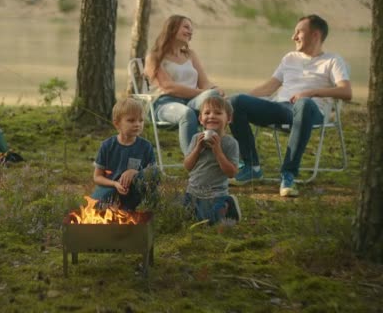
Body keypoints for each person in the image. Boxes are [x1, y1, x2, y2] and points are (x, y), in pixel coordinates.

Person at [228, 14, 352, 197]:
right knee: (234, 102)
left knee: (303, 104)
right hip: (281, 108)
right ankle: (251, 166)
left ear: (315, 35)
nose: (293, 37)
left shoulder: (333, 60)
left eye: (299, 32)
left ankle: (288, 174)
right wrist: (240, 99)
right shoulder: (290, 58)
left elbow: (346, 92)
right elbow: (270, 87)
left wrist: (311, 93)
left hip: (312, 111)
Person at [144, 14, 224, 156]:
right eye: (186, 27)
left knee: (215, 97)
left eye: (191, 29)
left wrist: (214, 89)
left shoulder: (190, 55)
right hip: (164, 104)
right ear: (172, 28)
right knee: (187, 113)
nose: (190, 32)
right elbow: (168, 87)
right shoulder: (154, 56)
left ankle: (221, 153)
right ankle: (193, 160)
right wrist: (201, 93)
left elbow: (205, 83)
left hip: (192, 103)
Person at [91, 98, 159, 211]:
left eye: (141, 120)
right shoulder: (107, 145)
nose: (137, 124)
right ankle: (116, 208)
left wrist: (134, 173)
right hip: (111, 188)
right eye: (131, 120)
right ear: (117, 123)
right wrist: (115, 184)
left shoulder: (146, 146)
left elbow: (153, 174)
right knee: (94, 207)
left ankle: (131, 209)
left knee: (154, 172)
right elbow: (97, 177)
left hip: (135, 191)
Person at [183, 96, 241, 224]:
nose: (212, 116)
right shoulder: (196, 138)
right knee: (186, 219)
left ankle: (228, 204)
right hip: (193, 192)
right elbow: (187, 166)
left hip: (216, 194)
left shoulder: (230, 143)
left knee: (212, 221)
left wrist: (218, 151)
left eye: (218, 113)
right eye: (207, 113)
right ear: (200, 119)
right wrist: (197, 148)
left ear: (229, 119)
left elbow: (231, 173)